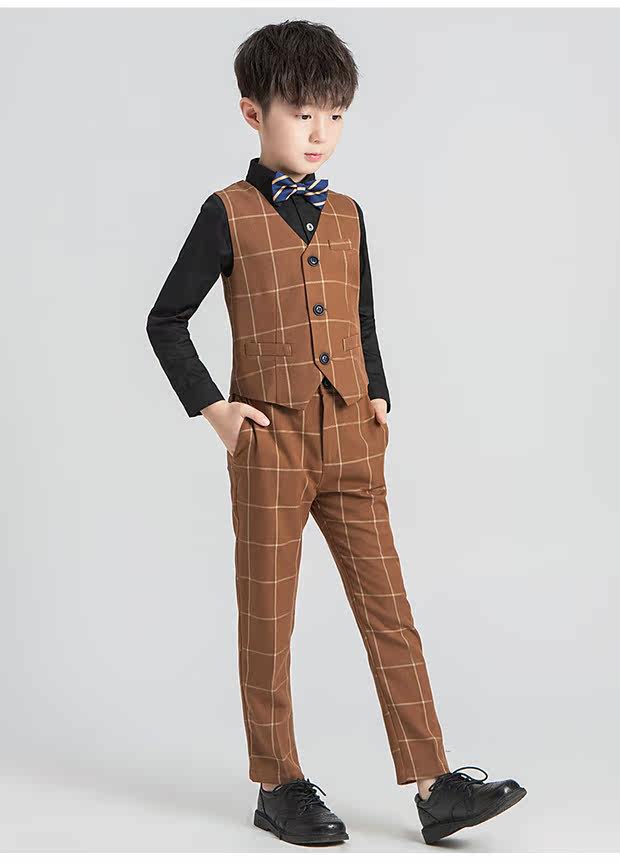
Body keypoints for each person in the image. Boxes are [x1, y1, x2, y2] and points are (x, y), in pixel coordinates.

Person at [145, 18, 527, 847]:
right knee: (268, 616)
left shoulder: (348, 213)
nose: (320, 131)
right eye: (301, 112)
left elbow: (362, 315)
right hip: (270, 443)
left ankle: (434, 783)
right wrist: (216, 410)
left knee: (389, 607)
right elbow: (165, 319)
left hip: (352, 432)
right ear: (253, 113)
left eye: (335, 114)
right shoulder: (227, 212)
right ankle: (276, 781)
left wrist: (377, 393)